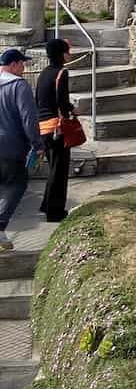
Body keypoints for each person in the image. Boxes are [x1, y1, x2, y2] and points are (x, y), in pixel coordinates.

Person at [0, 48, 44, 252]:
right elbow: (29, 118)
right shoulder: (19, 86)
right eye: (22, 64)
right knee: (17, 184)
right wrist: (37, 143)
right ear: (14, 65)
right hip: (11, 146)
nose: (24, 68)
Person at [35, 38, 75, 224]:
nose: (69, 54)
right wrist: (72, 110)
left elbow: (39, 100)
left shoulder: (43, 73)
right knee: (59, 170)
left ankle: (47, 205)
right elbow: (62, 101)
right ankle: (55, 212)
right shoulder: (62, 73)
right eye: (67, 51)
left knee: (53, 168)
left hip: (44, 127)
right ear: (61, 53)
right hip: (57, 127)